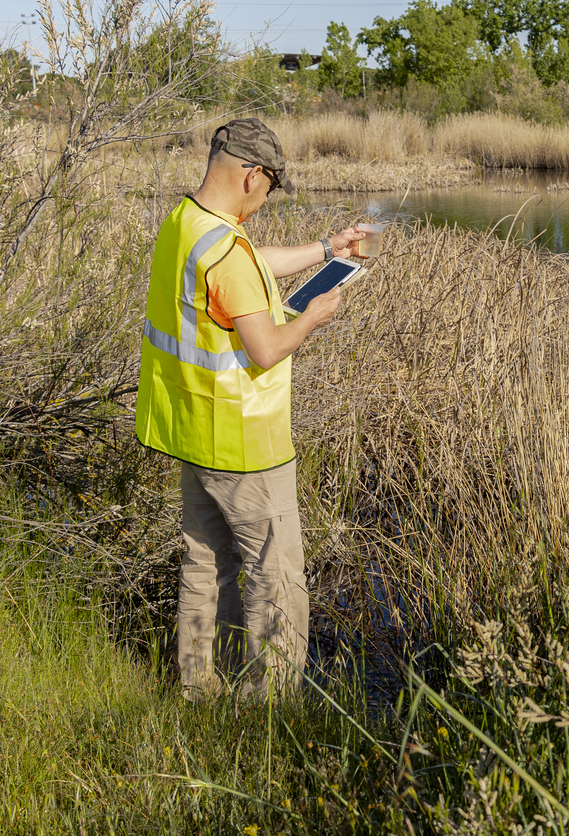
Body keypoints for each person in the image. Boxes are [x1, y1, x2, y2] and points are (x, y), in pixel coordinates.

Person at [135, 118, 366, 700]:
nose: (266, 200)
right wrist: (311, 317)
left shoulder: (187, 225)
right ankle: (268, 708)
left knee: (204, 563)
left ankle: (197, 686)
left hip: (191, 432)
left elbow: (250, 261)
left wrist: (325, 248)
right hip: (245, 444)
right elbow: (265, 350)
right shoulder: (226, 249)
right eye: (269, 188)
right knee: (276, 576)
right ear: (252, 175)